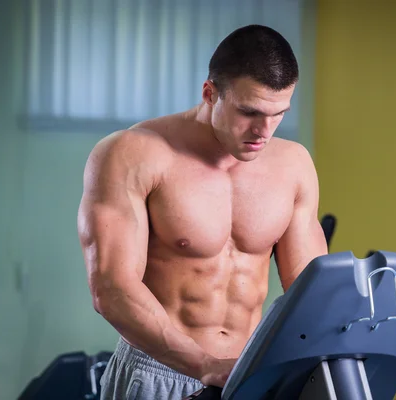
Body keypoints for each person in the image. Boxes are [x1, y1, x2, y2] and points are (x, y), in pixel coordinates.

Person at [77, 24, 328, 400]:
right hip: (159, 371)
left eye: (278, 114)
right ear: (210, 93)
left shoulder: (293, 165)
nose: (264, 130)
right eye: (250, 112)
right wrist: (204, 365)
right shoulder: (132, 154)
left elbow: (312, 292)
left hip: (246, 376)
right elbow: (112, 289)